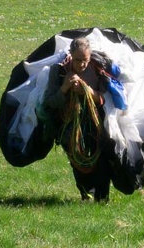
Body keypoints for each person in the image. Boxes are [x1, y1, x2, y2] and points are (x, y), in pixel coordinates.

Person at [41, 38, 113, 202]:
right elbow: (50, 102)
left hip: (95, 119)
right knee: (76, 156)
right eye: (78, 60)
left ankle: (102, 198)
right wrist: (64, 88)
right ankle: (86, 194)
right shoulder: (58, 71)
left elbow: (102, 99)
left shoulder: (97, 69)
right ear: (71, 55)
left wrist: (86, 90)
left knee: (101, 155)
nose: (81, 65)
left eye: (85, 60)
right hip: (69, 122)